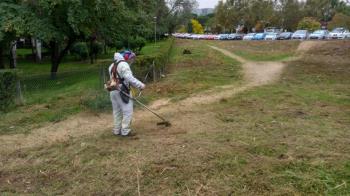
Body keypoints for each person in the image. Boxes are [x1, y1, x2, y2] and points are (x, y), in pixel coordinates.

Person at [109, 51, 145, 136]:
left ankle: (116, 130)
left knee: (117, 111)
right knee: (127, 111)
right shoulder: (123, 64)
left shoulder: (112, 65)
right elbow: (129, 78)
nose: (131, 60)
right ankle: (125, 131)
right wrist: (140, 85)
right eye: (131, 58)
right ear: (126, 57)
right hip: (122, 91)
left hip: (113, 90)